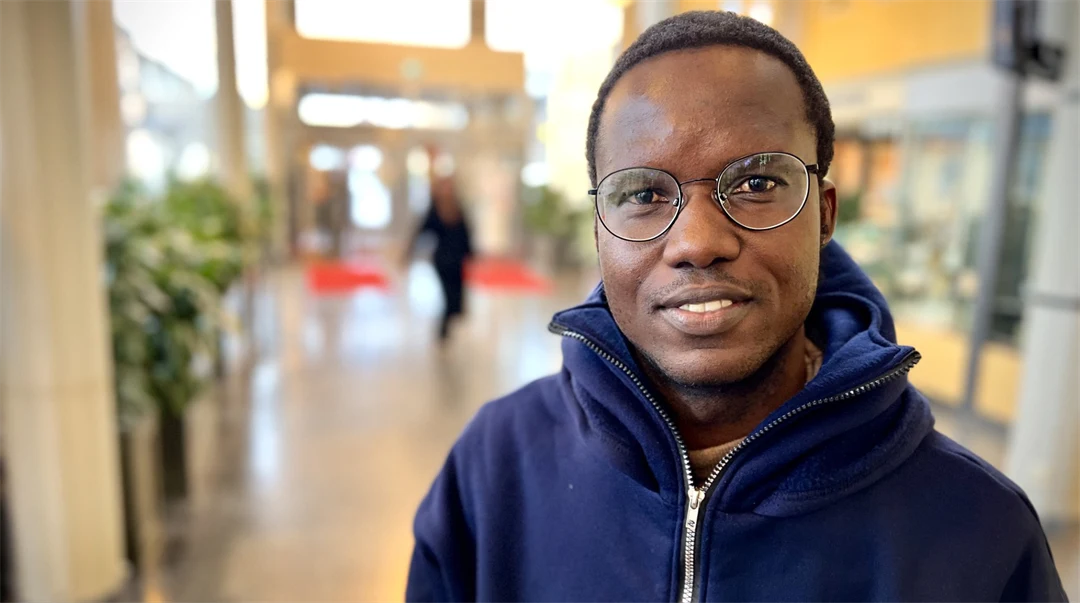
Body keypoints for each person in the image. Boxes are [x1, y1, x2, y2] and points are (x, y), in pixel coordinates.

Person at [406, 11, 1066, 603]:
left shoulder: (978, 532)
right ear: (601, 230)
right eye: (644, 194)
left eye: (755, 182)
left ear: (824, 216)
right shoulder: (494, 470)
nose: (697, 242)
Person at [407, 176, 473, 342]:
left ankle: (451, 317)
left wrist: (470, 253)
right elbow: (422, 230)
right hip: (442, 260)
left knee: (457, 293)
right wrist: (409, 251)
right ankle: (443, 329)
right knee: (447, 294)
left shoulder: (458, 208)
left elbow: (466, 233)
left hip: (458, 259)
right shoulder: (435, 209)